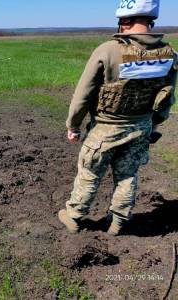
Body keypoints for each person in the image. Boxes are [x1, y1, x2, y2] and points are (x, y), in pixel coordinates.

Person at [58, 0, 178, 236]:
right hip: (142, 127)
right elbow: (167, 97)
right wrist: (154, 123)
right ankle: (119, 220)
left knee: (90, 172)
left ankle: (74, 216)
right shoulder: (170, 55)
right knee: (128, 175)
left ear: (124, 21)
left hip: (105, 129)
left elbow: (83, 94)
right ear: (151, 21)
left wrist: (73, 125)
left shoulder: (108, 50)